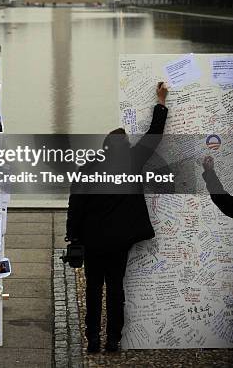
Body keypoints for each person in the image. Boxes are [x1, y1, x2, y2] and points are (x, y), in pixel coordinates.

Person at [66, 82, 168, 354]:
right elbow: (154, 135)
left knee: (92, 290)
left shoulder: (87, 169)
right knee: (115, 290)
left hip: (92, 241)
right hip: (119, 242)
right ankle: (113, 340)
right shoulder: (131, 162)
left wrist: (73, 236)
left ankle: (92, 341)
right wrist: (161, 102)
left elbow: (75, 206)